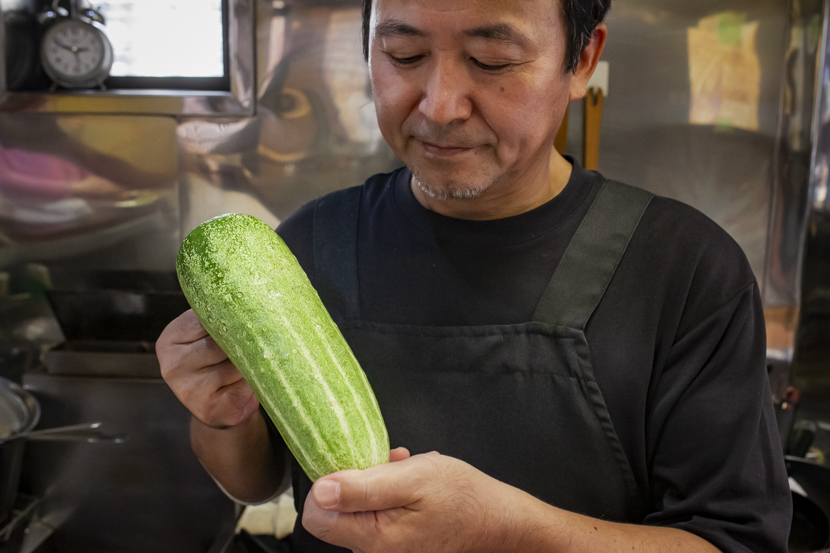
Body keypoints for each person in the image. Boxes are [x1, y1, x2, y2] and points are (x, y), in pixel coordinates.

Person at [156, 0, 792, 551]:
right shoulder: (304, 246)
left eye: (491, 62)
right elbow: (259, 480)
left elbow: (732, 541)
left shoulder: (685, 268)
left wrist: (507, 532)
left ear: (581, 61)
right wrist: (223, 417)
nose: (440, 106)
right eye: (403, 54)